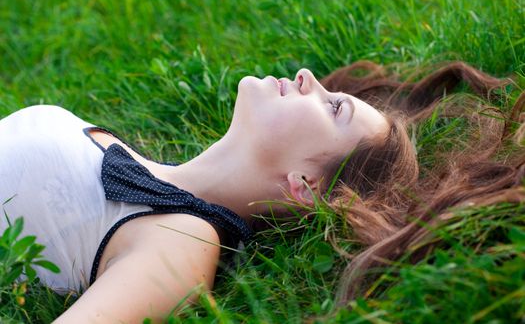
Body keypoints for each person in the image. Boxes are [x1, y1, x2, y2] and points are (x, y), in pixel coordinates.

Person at [0, 62, 523, 322]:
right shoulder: (133, 161)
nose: (308, 76)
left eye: (332, 106)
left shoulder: (184, 243)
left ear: (306, 187)